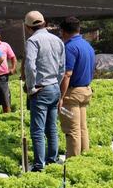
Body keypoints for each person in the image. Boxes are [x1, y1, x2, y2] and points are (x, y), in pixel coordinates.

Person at [23, 10, 65, 171]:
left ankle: (39, 165)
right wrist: (56, 83)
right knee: (52, 127)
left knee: (37, 130)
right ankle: (52, 159)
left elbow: (30, 66)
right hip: (54, 86)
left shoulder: (33, 41)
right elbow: (62, 67)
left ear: (28, 27)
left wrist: (31, 87)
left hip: (41, 89)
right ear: (44, 22)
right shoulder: (57, 40)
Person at [59, 16, 95, 158]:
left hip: (72, 95)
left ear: (63, 31)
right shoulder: (87, 46)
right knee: (82, 127)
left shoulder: (69, 47)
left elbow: (67, 74)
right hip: (85, 91)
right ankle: (84, 157)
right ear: (78, 29)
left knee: (72, 129)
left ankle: (73, 162)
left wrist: (61, 97)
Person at [0, 28, 17, 113]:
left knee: (5, 100)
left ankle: (7, 115)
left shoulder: (5, 45)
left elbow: (13, 57)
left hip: (2, 76)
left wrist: (13, 68)